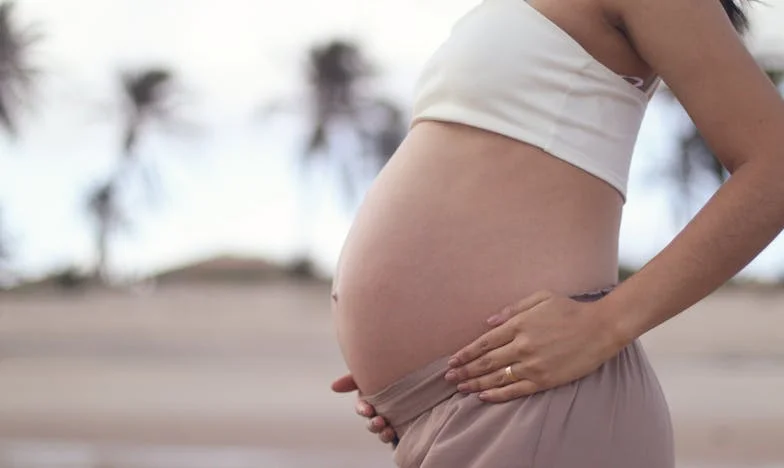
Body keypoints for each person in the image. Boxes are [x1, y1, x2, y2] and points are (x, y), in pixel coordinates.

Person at [329, 0, 783, 466]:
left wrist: (607, 324)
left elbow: (775, 168)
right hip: (457, 403)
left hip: (542, 402)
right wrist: (398, 375)